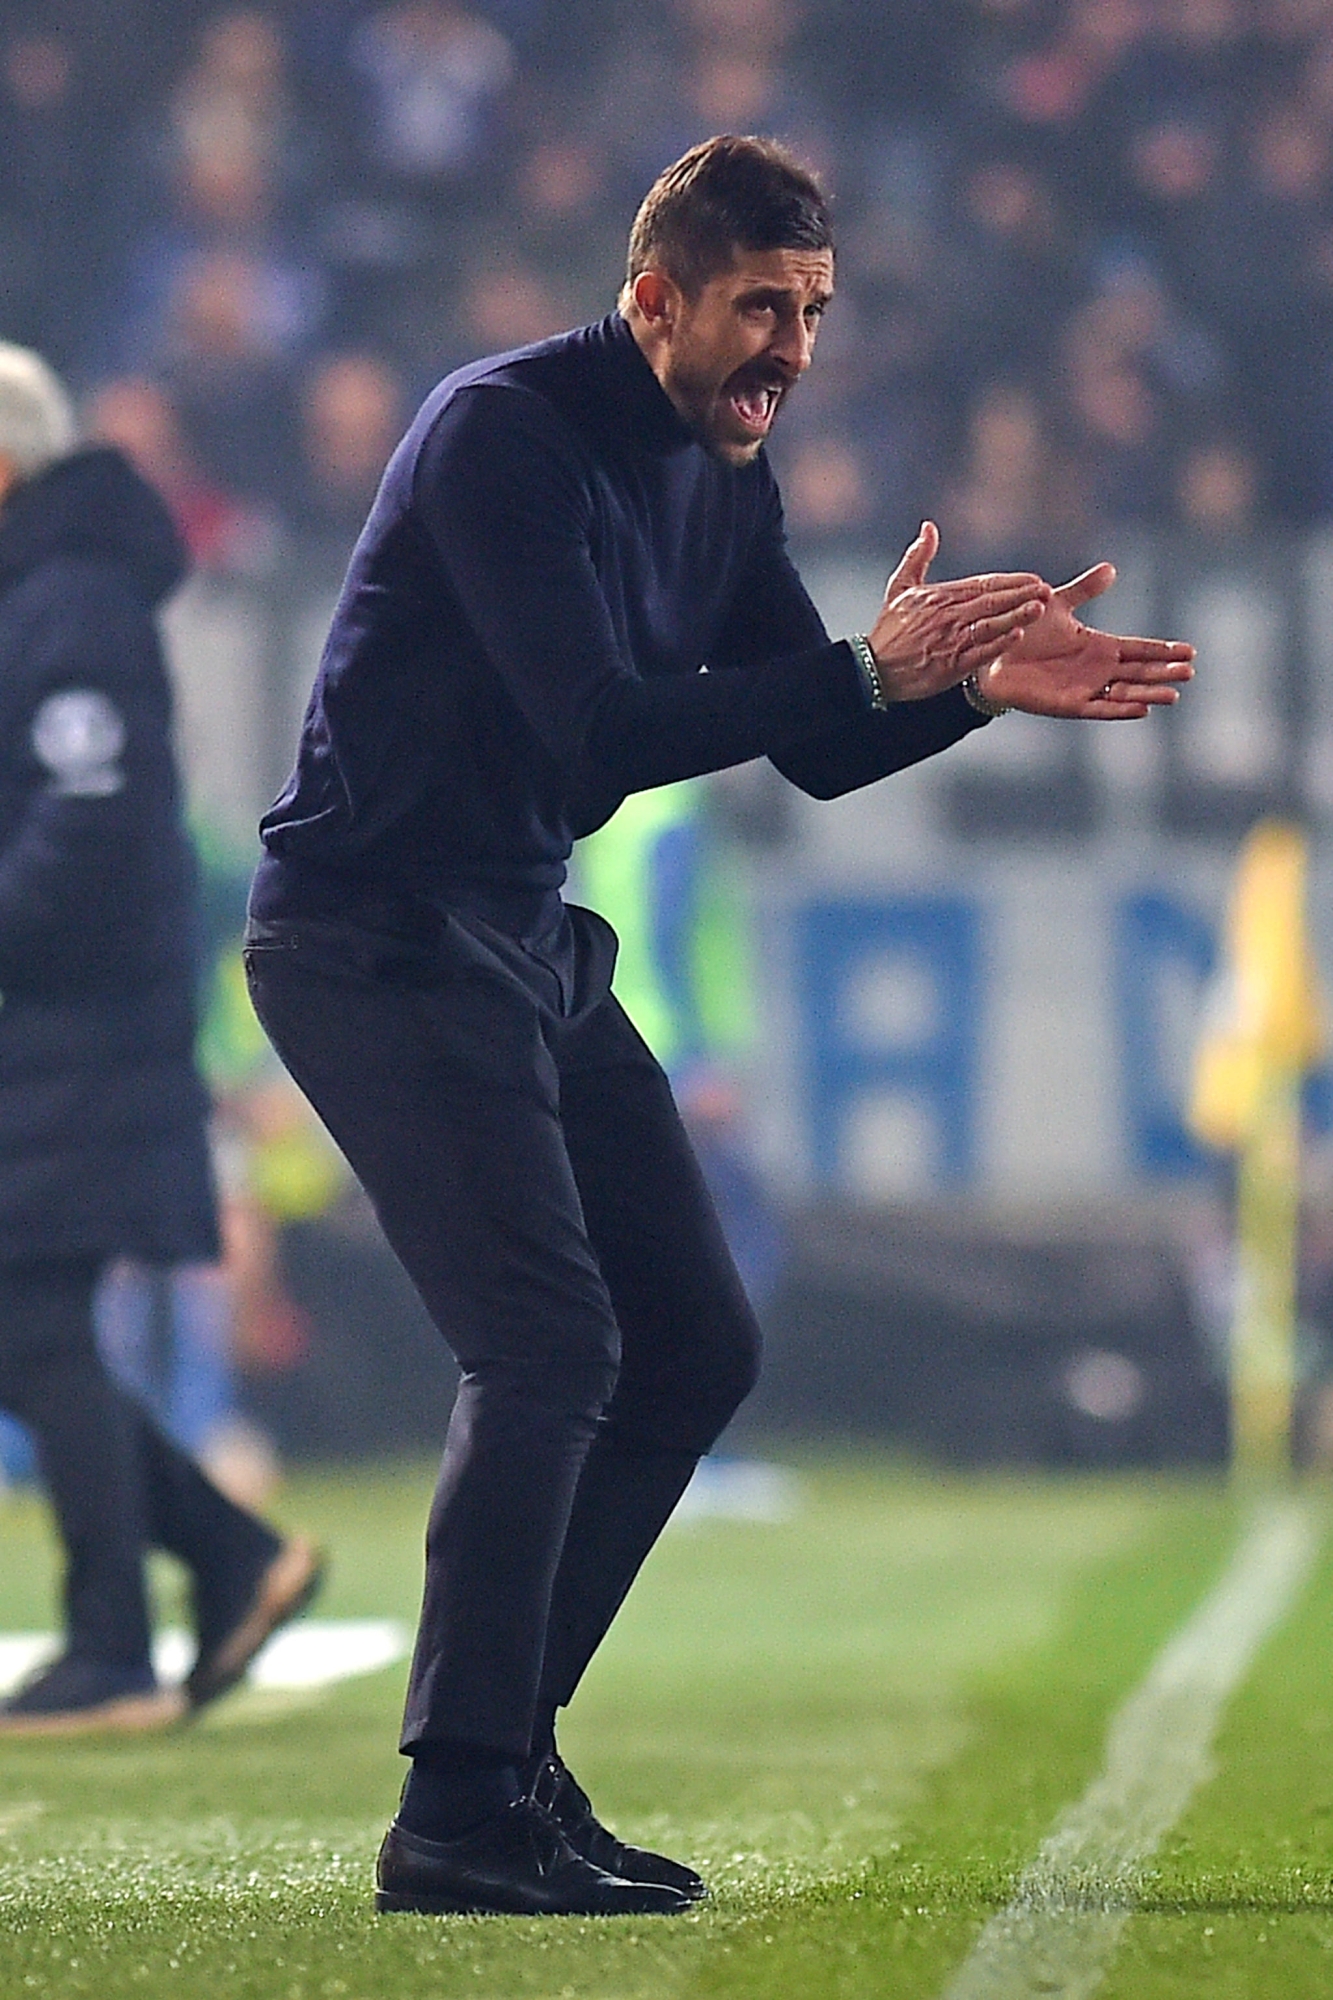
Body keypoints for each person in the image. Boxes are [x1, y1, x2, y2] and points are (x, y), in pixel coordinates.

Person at [244, 135, 1194, 1917]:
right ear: (656, 295)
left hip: (515, 931)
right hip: (372, 934)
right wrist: (869, 667)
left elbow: (822, 746)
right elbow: (598, 732)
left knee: (688, 1341)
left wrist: (970, 686)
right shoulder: (501, 432)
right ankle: (453, 1813)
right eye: (762, 306)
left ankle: (507, 1764)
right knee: (542, 1347)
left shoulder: (717, 470)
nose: (794, 348)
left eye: (815, 310)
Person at [0, 343, 322, 1734]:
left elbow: (88, 833)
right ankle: (227, 1559)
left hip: (75, 1032)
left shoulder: (66, 604)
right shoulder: (54, 598)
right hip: (63, 1030)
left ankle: (114, 1644)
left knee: (34, 1327)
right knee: (28, 1329)